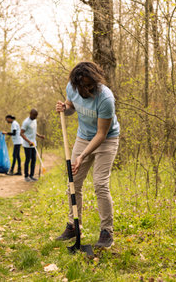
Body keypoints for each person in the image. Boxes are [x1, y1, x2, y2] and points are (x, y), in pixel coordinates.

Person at [55, 61, 120, 249]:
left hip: (106, 140)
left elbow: (101, 133)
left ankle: (106, 231)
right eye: (82, 86)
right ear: (76, 84)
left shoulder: (106, 98)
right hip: (83, 137)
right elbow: (70, 106)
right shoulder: (72, 88)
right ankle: (74, 225)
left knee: (100, 183)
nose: (86, 90)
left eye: (90, 85)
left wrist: (82, 155)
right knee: (73, 181)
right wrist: (64, 109)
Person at [20, 109, 45, 182]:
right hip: (27, 145)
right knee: (28, 160)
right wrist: (28, 141)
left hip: (34, 144)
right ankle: (26, 176)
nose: (35, 117)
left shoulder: (34, 121)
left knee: (34, 160)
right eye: (34, 115)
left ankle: (32, 175)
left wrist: (39, 136)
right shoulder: (26, 122)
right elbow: (21, 133)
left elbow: (33, 131)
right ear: (30, 113)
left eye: (36, 116)